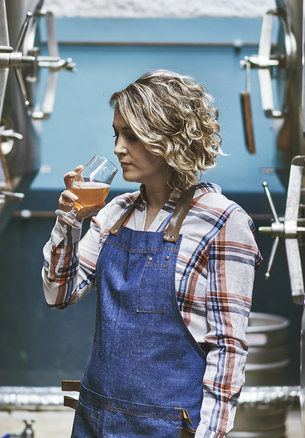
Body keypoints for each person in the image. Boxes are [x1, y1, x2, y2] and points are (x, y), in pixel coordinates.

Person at [41, 70, 262, 437]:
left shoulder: (223, 222)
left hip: (168, 427)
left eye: (131, 135)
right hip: (95, 418)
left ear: (168, 137)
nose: (117, 147)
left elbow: (228, 349)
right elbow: (58, 295)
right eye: (116, 134)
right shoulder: (114, 212)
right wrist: (69, 223)